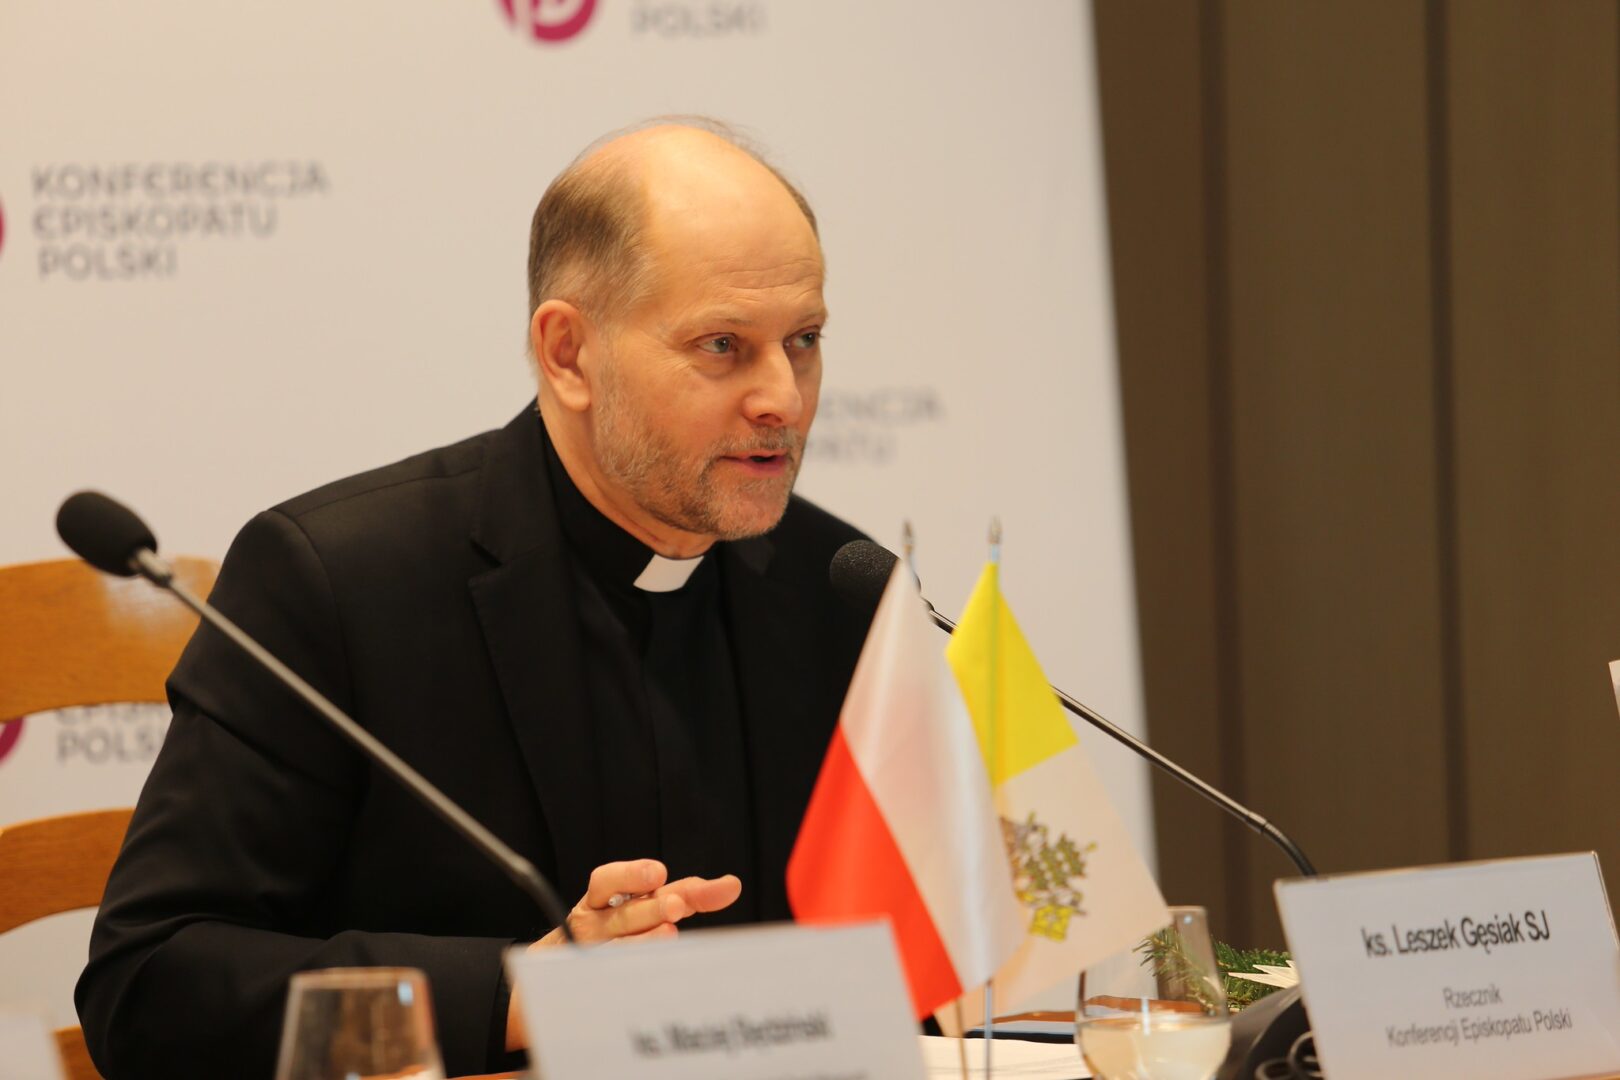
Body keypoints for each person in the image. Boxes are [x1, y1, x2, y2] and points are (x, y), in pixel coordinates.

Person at [76, 119, 875, 1078]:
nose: (784, 397)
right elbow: (149, 988)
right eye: (722, 345)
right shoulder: (338, 581)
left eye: (804, 340)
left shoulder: (837, 586)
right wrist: (522, 994)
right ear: (569, 354)